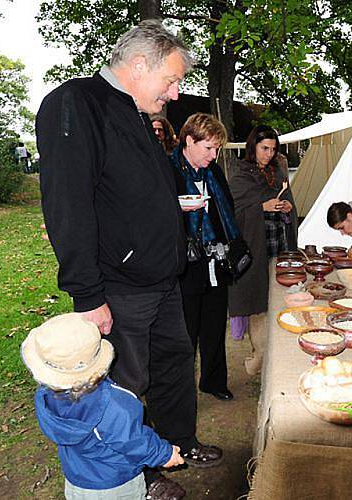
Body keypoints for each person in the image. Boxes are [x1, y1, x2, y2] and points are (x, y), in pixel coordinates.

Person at [36, 20, 223, 496]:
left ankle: (178, 444)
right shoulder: (77, 104)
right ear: (140, 64)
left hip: (162, 282)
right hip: (120, 286)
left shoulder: (137, 113)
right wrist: (86, 293)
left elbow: (129, 193)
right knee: (126, 385)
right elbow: (68, 205)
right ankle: (142, 474)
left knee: (176, 364)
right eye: (172, 80)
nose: (176, 94)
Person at [22, 313, 186, 499]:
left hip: (77, 480)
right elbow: (132, 439)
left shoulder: (46, 396)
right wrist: (164, 454)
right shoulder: (113, 404)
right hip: (116, 484)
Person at [170, 113, 235, 401]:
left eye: (217, 148)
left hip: (215, 259)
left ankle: (213, 381)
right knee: (185, 333)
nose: (214, 154)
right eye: (209, 148)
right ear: (189, 141)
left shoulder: (214, 172)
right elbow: (153, 214)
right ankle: (180, 393)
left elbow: (227, 209)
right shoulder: (168, 170)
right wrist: (178, 210)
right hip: (185, 264)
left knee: (214, 324)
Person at [227, 125, 297, 375]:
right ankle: (259, 356)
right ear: (252, 146)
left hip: (277, 242)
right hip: (253, 245)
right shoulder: (240, 174)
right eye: (264, 148)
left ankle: (271, 356)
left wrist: (287, 207)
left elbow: (289, 202)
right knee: (257, 302)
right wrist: (261, 207)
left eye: (273, 149)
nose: (268, 154)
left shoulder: (277, 172)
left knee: (277, 298)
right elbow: (231, 212)